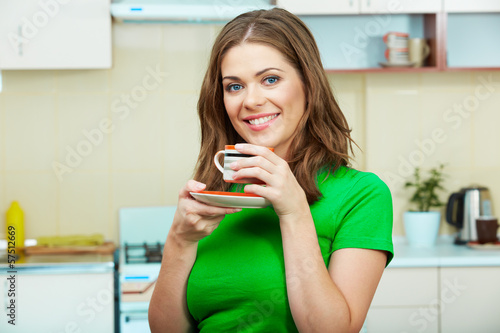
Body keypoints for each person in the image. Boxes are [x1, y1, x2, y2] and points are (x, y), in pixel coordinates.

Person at [149, 7, 393, 333]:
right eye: (234, 86)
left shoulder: (361, 195)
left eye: (270, 79)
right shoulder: (215, 197)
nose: (251, 101)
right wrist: (179, 241)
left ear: (309, 83)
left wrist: (294, 212)